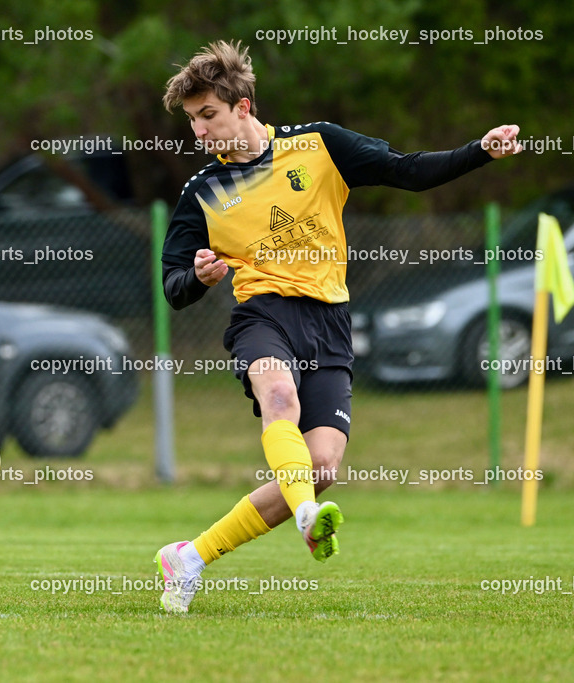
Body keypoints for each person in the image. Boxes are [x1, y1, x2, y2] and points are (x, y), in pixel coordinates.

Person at [153, 41, 522, 614]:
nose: (199, 131)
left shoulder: (318, 145)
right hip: (263, 316)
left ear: (243, 107)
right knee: (278, 395)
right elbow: (173, 287)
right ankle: (305, 516)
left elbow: (409, 171)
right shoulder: (202, 192)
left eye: (208, 116)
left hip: (329, 321)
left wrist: (480, 151)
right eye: (192, 121)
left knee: (321, 466)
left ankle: (190, 556)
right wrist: (199, 277)